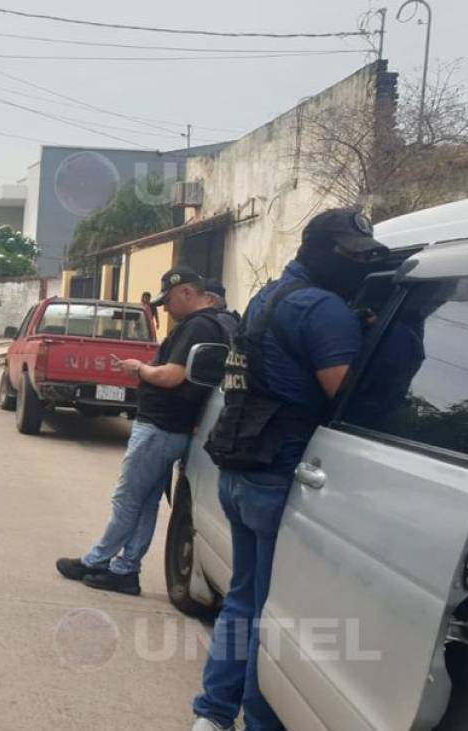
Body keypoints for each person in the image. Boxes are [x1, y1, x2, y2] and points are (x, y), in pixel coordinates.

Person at [191, 209, 388, 731]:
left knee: (244, 599)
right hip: (279, 473)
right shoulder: (322, 310)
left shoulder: (268, 295)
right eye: (351, 253)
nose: (359, 262)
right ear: (320, 250)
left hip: (243, 465)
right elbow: (353, 399)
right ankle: (259, 720)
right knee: (271, 612)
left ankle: (212, 715)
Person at [56, 265, 231, 596]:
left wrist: (139, 368)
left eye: (169, 301)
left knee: (128, 498)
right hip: (170, 428)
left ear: (187, 293)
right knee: (145, 500)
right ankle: (125, 569)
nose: (165, 308)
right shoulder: (210, 326)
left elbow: (171, 376)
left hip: (161, 428)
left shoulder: (197, 327)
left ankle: (98, 561)